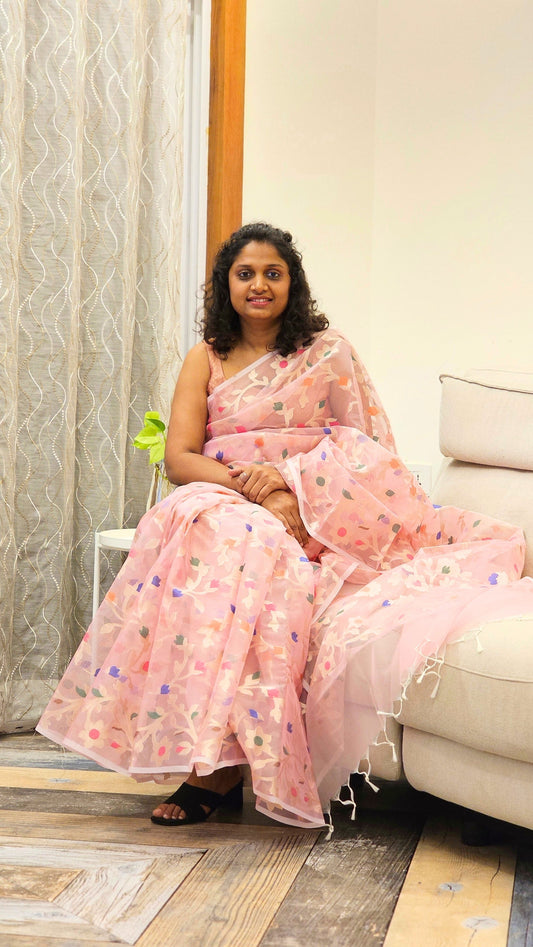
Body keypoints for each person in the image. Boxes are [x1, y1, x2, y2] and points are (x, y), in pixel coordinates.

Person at [37, 222, 533, 830]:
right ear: (226, 284)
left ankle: (220, 769)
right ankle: (213, 760)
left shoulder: (328, 353)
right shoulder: (207, 357)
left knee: (259, 547)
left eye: (273, 272)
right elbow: (182, 456)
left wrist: (294, 485)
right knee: (221, 536)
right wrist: (251, 483)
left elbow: (368, 450)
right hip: (224, 493)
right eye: (245, 273)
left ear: (292, 282)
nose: (259, 285)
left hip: (312, 502)